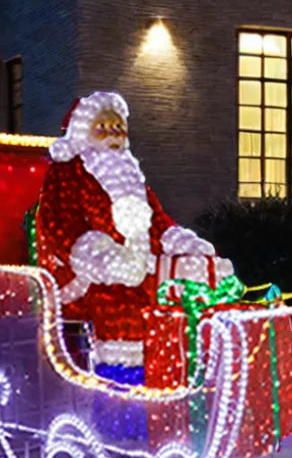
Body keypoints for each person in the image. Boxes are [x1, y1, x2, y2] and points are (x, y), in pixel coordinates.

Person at [35, 91, 229, 384]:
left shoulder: (130, 173)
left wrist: (183, 243)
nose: (113, 134)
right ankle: (123, 398)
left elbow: (159, 221)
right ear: (84, 131)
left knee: (185, 298)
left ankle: (181, 380)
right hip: (89, 274)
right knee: (124, 308)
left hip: (144, 267)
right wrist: (104, 258)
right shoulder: (67, 173)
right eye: (103, 127)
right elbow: (59, 226)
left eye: (118, 127)